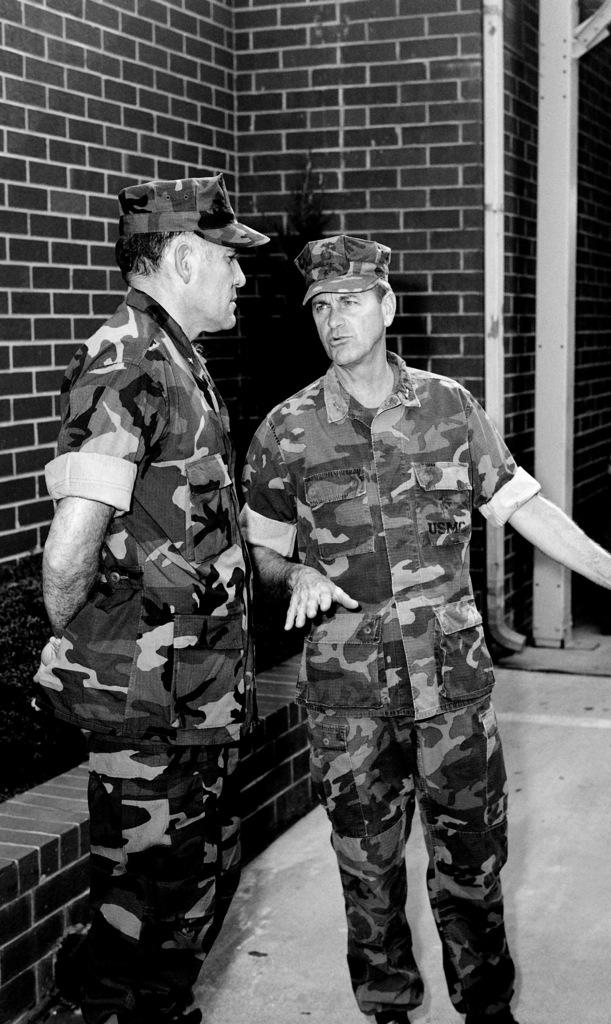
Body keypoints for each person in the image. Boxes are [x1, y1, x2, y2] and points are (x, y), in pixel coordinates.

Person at [240, 235, 611, 1024]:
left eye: (351, 301)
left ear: (387, 307)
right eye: (321, 306)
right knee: (366, 867)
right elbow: (262, 548)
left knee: (471, 866)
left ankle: (486, 1010)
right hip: (348, 699)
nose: (334, 319)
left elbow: (528, 509)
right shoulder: (285, 430)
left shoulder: (448, 408)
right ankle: (388, 1008)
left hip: (449, 693)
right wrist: (296, 575)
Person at [34, 174, 268, 1024]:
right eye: (227, 259)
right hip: (150, 707)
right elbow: (70, 549)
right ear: (178, 257)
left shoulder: (176, 358)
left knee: (191, 888)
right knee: (141, 905)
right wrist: (95, 648)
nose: (241, 277)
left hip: (191, 698)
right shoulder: (128, 360)